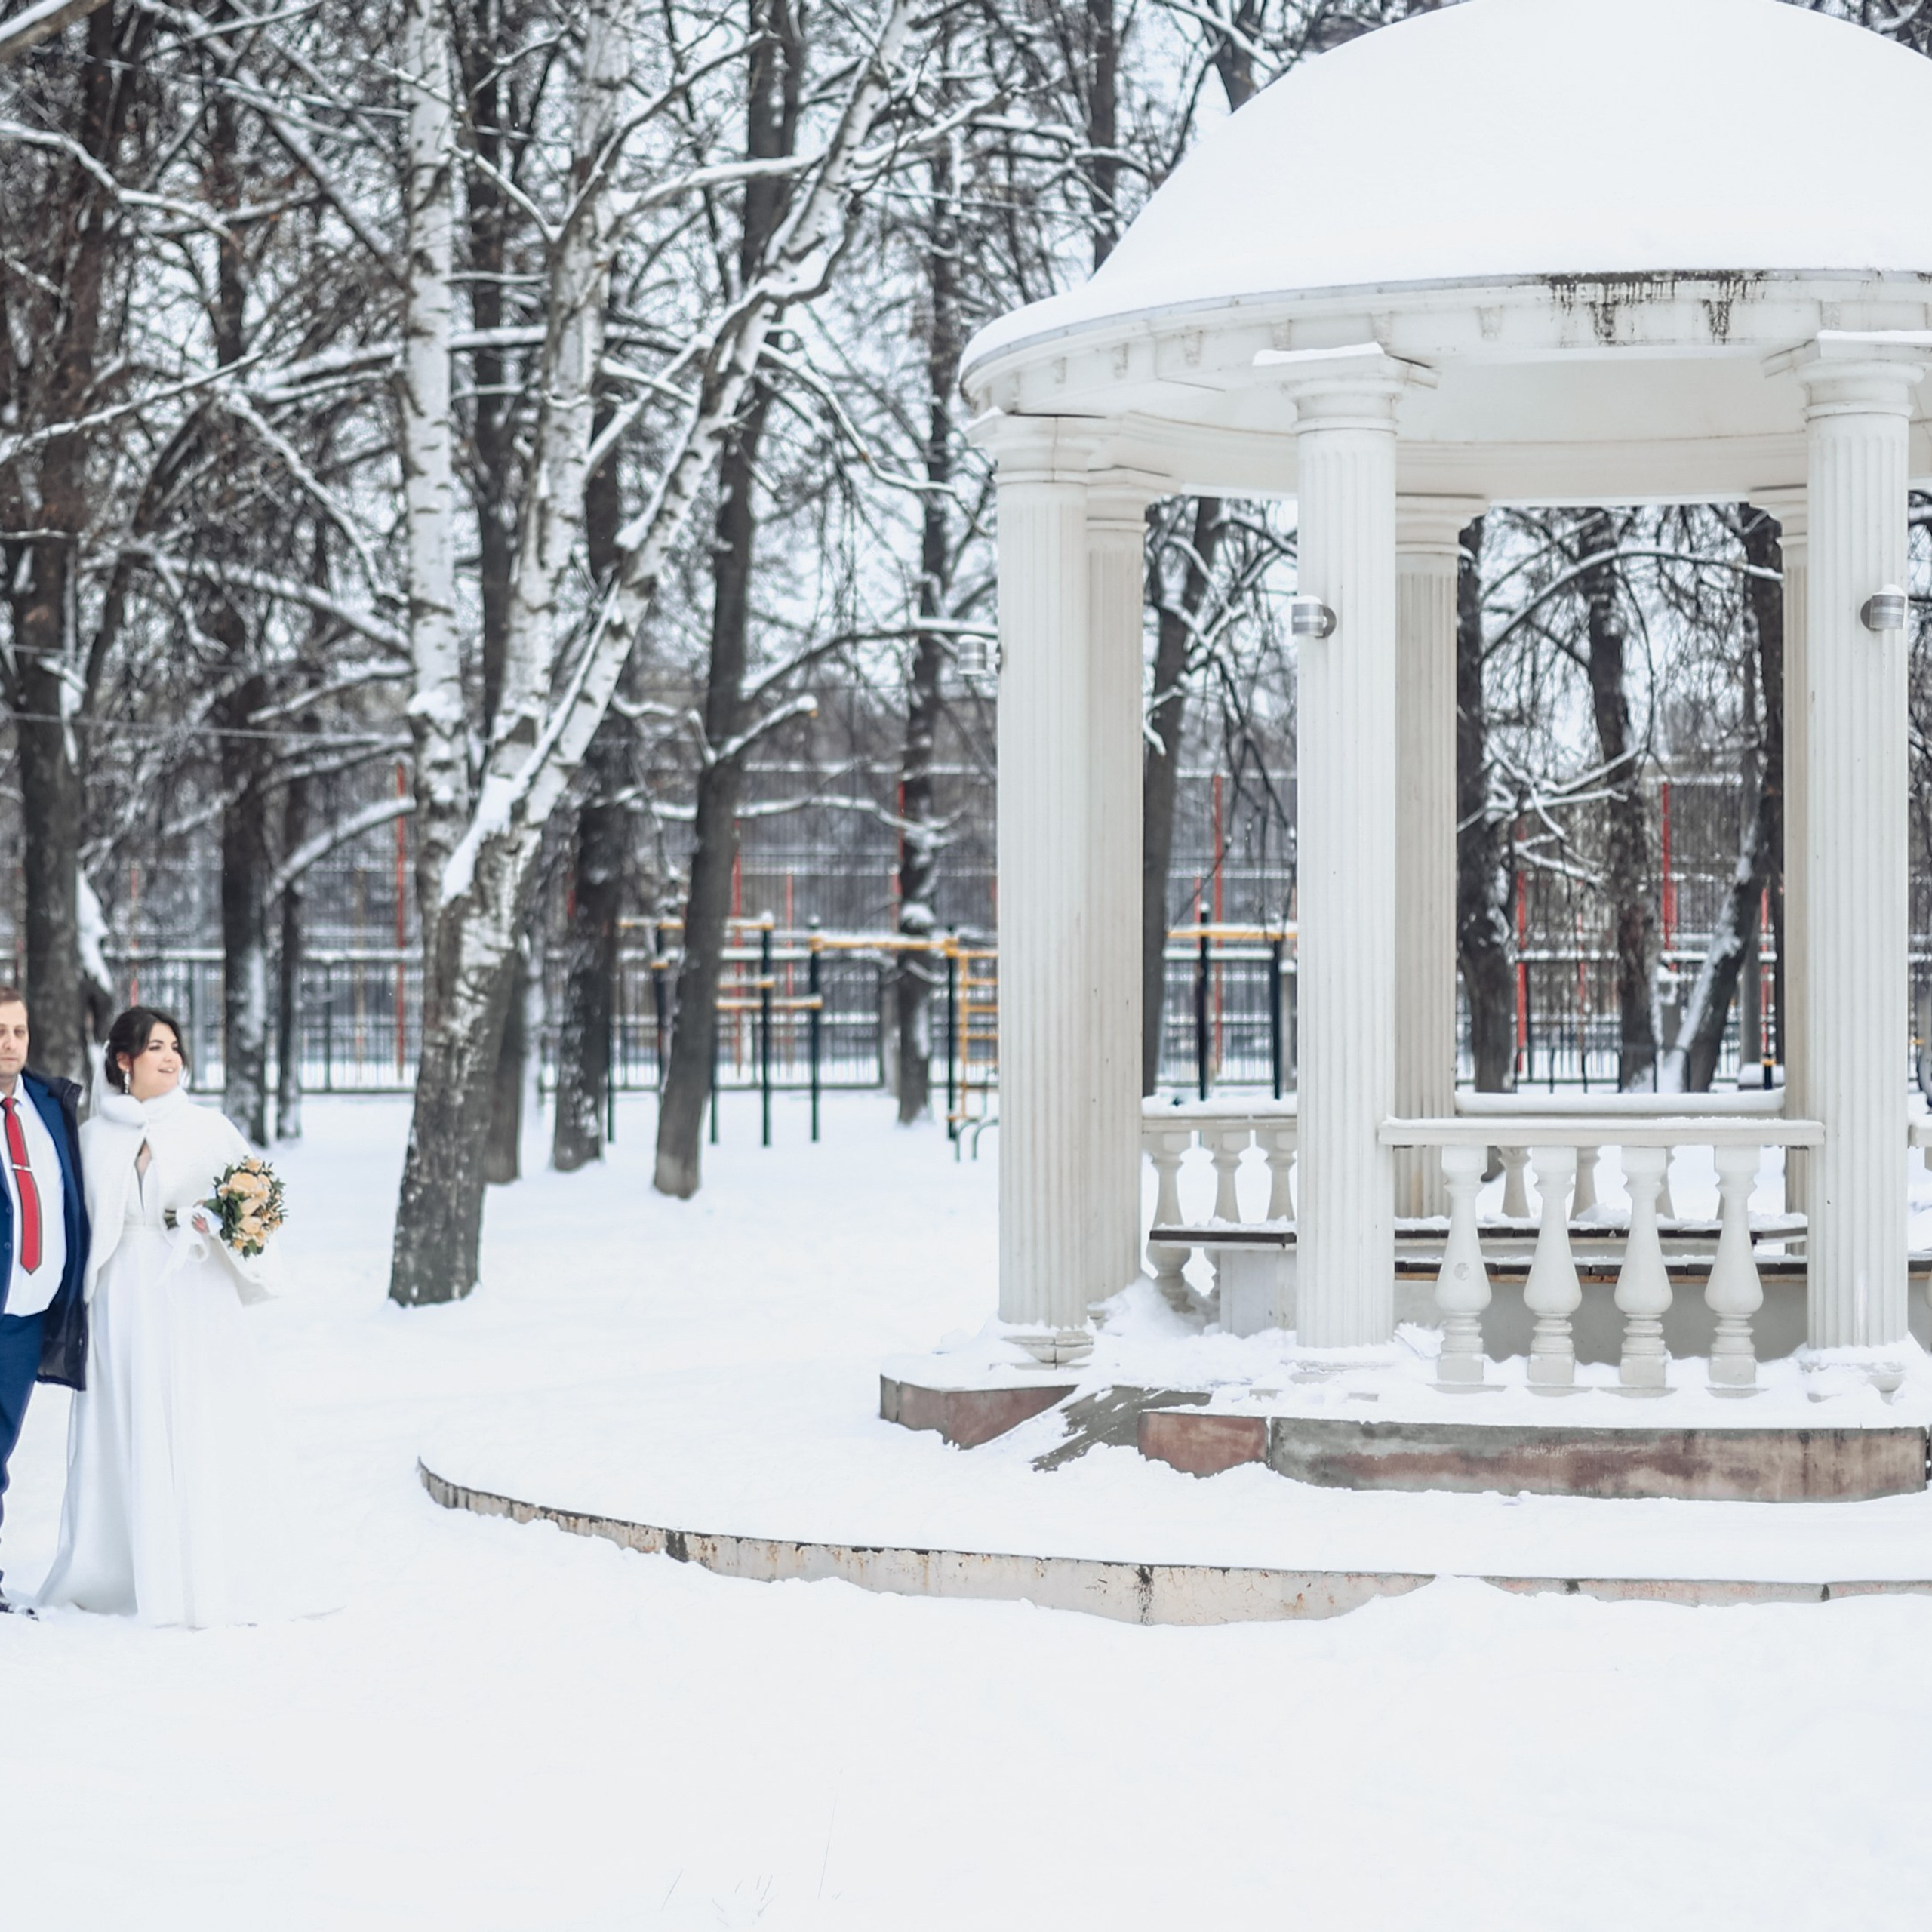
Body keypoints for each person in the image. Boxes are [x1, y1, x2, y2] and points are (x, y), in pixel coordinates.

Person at [38, 1006, 318, 1627]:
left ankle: (207, 1564)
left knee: (196, 1410)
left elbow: (257, 1205)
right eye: (155, 1047)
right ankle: (122, 1568)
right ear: (122, 1060)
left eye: (175, 1047)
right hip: (118, 1297)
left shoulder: (207, 1128)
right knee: (128, 1418)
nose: (170, 1057)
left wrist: (213, 1221)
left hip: (190, 1289)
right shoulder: (93, 1137)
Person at [0, 988, 89, 1615]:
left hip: (27, 1316)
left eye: (19, 1031)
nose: (10, 1043)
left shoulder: (49, 1106)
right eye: (0, 1031)